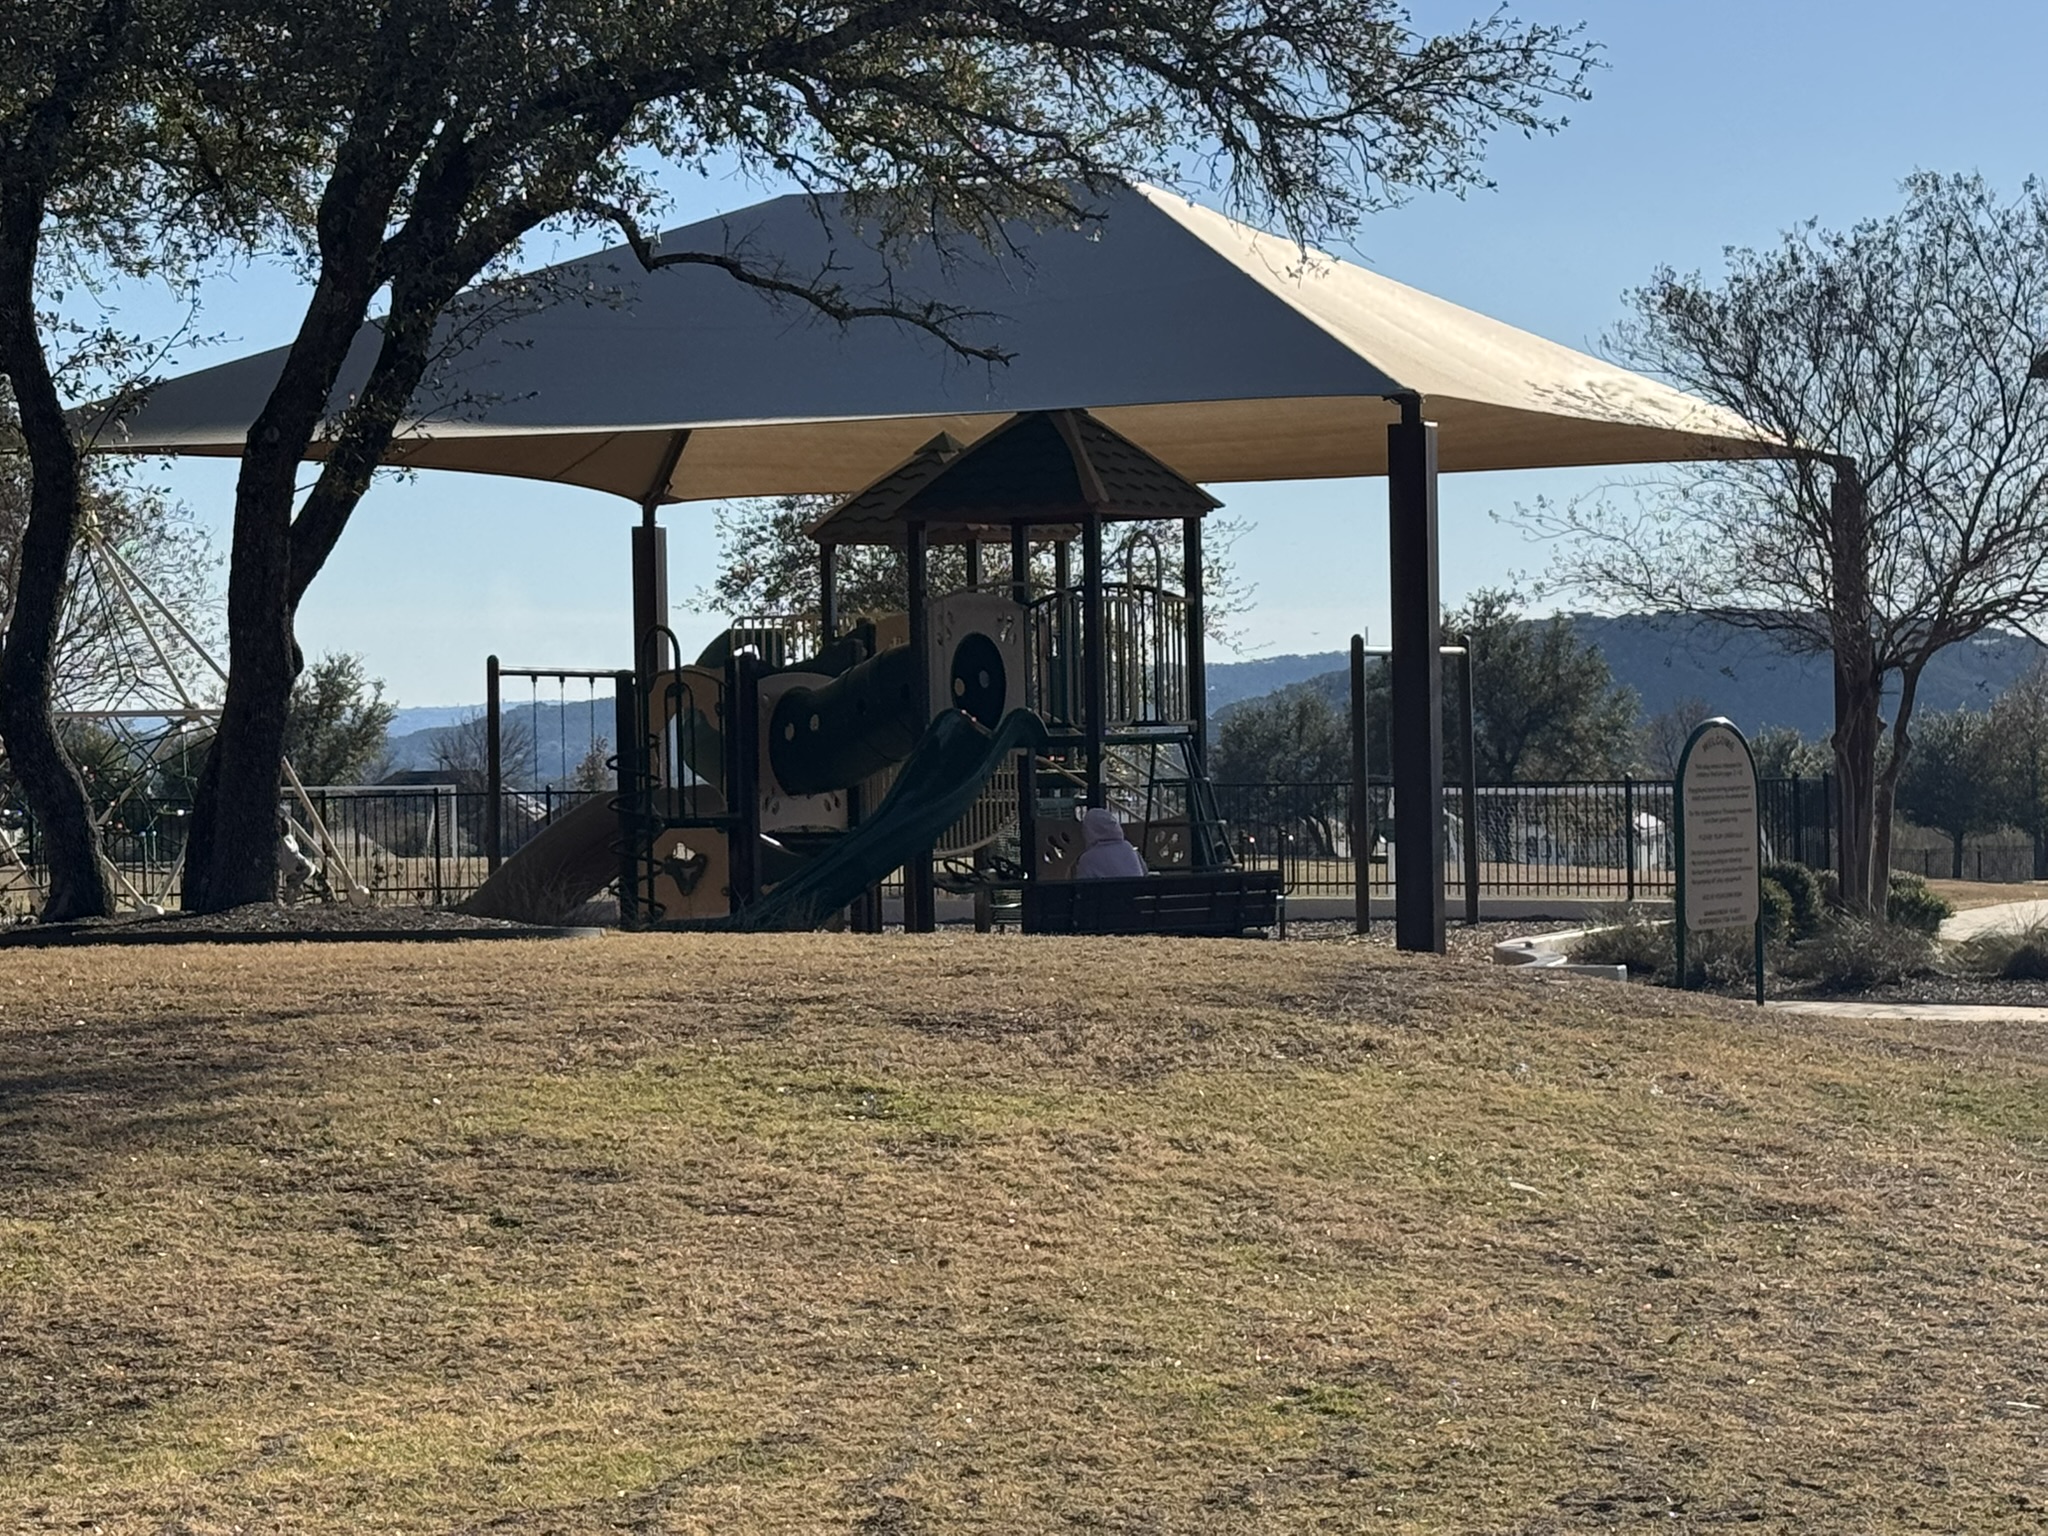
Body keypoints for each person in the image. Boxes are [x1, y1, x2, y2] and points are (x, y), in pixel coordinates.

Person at [1073, 806, 1148, 879]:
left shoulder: (1087, 859)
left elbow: (1082, 884)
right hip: (1137, 887)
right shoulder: (1128, 848)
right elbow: (1144, 873)